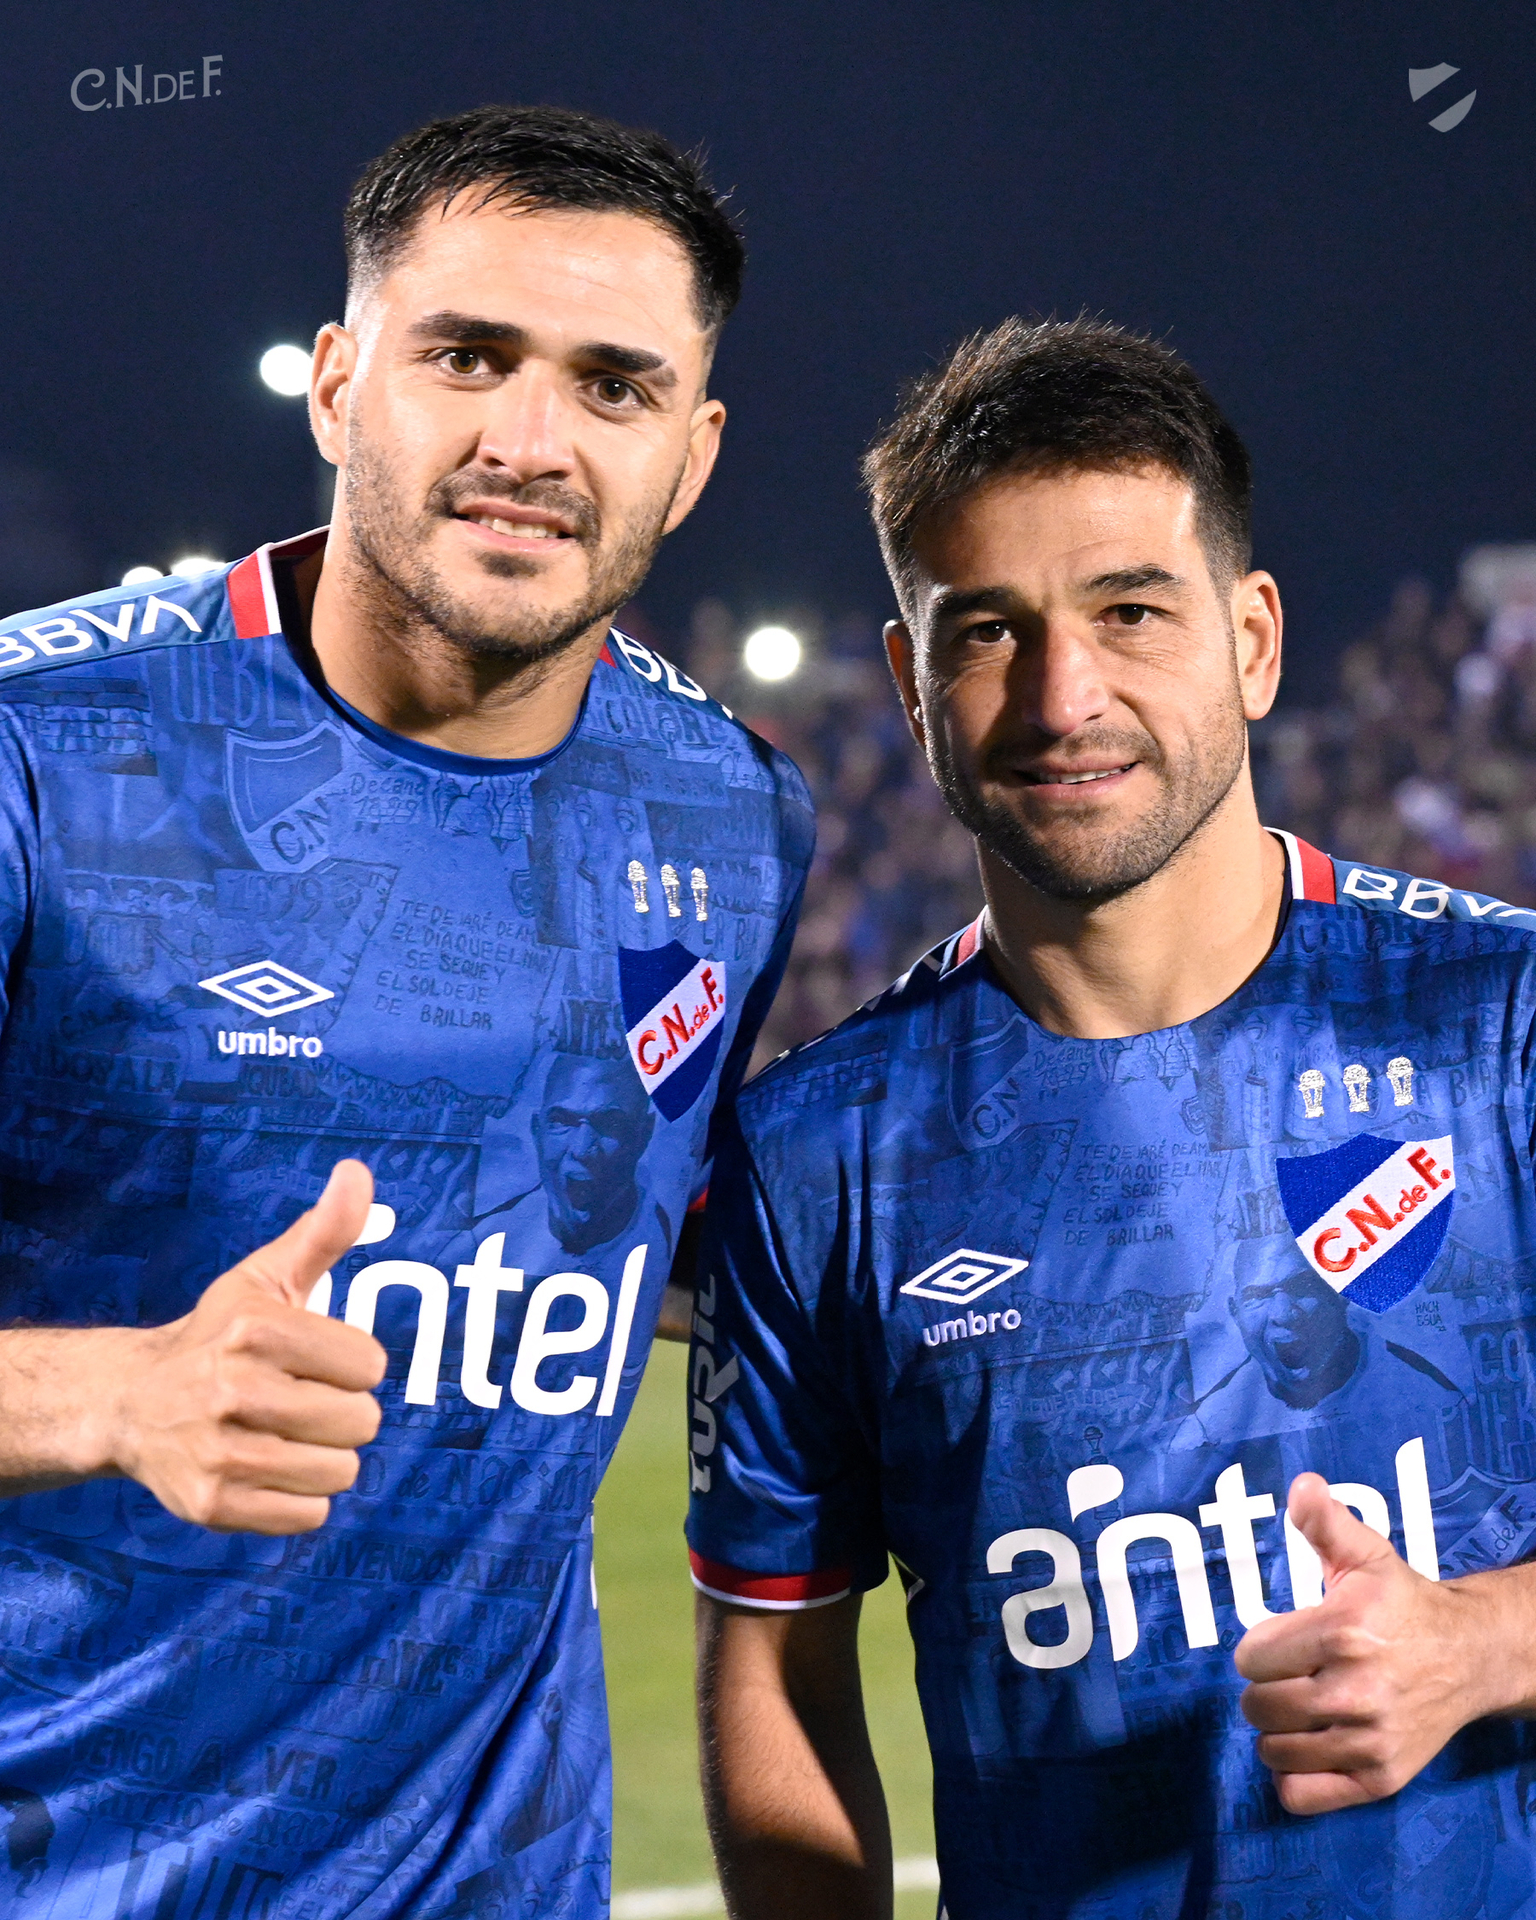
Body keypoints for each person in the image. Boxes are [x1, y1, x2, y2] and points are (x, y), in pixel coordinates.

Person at [0, 105, 812, 1915]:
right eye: (467, 356)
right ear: (339, 383)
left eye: (614, 386)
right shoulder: (41, 756)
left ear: (692, 455)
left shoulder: (731, 819)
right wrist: (111, 1394)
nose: (530, 442)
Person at [687, 316, 1536, 1920]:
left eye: (1131, 611)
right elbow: (777, 1671)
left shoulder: (1501, 1024)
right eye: (988, 630)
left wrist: (1488, 1642)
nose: (1064, 694)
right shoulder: (816, 1156)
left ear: (1253, 640)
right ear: (911, 688)